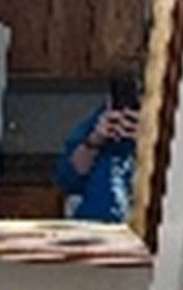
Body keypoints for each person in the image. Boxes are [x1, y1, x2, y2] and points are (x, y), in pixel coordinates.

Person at [57, 70, 141, 223]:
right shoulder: (101, 120)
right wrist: (95, 140)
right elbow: (67, 179)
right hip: (93, 224)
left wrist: (147, 142)